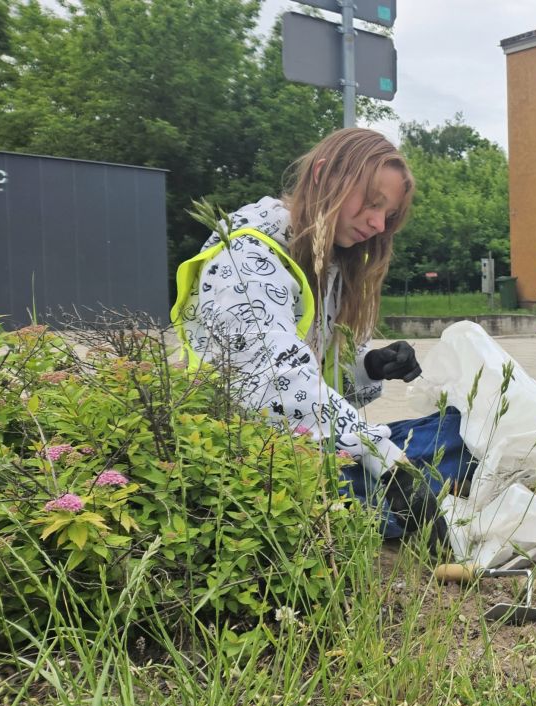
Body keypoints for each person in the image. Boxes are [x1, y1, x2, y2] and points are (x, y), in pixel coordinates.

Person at [170, 127, 448, 550]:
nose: (377, 224)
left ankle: (389, 498)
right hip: (252, 465)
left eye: (387, 216)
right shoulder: (246, 257)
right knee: (435, 453)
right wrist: (391, 465)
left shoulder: (331, 264)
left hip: (310, 451)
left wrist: (371, 366)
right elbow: (281, 384)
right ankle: (381, 504)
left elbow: (323, 388)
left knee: (461, 426)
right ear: (323, 175)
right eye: (372, 204)